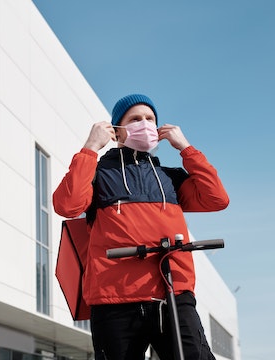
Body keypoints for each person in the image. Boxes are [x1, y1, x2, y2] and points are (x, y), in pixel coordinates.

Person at [52, 94, 229, 360]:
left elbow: (216, 198)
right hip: (115, 299)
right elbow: (67, 205)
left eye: (149, 119)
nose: (144, 124)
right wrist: (90, 148)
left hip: (173, 293)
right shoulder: (98, 174)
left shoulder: (170, 178)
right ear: (116, 131)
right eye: (135, 119)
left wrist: (186, 148)